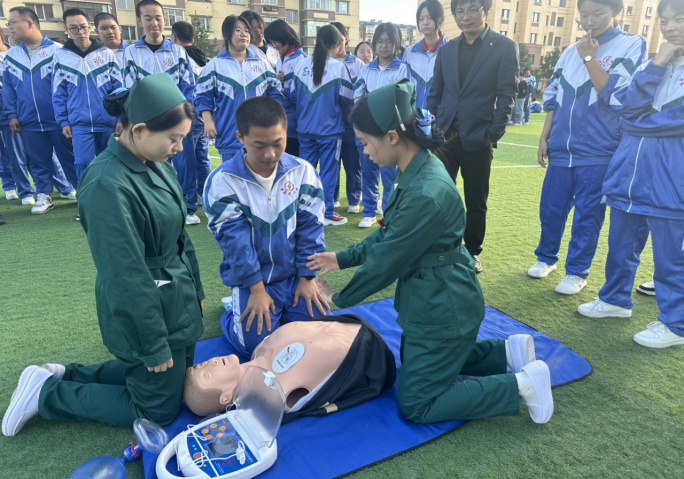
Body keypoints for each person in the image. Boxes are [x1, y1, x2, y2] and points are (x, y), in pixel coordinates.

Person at [307, 79, 554, 425]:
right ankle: (504, 353)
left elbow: (387, 260)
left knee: (416, 403)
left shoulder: (424, 191)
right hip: (434, 298)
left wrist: (339, 298)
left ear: (391, 137)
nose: (364, 151)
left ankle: (523, 385)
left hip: (443, 305)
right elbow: (390, 234)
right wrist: (342, 258)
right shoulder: (415, 168)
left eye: (365, 142)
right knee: (415, 360)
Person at [1, 74, 204, 437]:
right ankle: (47, 395)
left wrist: (197, 290)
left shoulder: (156, 161)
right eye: (174, 138)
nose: (178, 147)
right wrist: (152, 342)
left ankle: (67, 374)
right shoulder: (106, 184)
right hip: (146, 303)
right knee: (157, 408)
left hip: (174, 296)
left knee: (177, 378)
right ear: (138, 130)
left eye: (183, 138)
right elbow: (125, 274)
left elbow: (179, 237)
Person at [578, 0, 684, 349]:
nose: (670, 27)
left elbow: (671, 121)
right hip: (629, 176)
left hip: (671, 182)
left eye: (679, 19)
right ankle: (614, 300)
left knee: (671, 258)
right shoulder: (654, 65)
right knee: (621, 247)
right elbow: (623, 105)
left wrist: (635, 124)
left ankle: (675, 324)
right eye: (665, 21)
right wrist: (659, 62)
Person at [530, 0, 647, 295]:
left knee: (588, 214)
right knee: (551, 208)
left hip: (599, 149)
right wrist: (545, 136)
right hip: (561, 147)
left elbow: (616, 95)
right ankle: (546, 257)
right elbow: (553, 96)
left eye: (597, 13)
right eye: (584, 14)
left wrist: (589, 57)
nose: (589, 20)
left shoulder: (632, 44)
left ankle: (576, 271)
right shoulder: (570, 50)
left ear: (617, 12)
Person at [203, 96, 329, 358]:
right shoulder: (223, 181)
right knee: (257, 348)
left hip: (294, 276)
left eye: (278, 143)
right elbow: (235, 243)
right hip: (254, 281)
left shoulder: (303, 172)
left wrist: (307, 278)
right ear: (240, 137)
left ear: (286, 133)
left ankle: (283, 306)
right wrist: (256, 290)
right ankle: (232, 310)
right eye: (259, 145)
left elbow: (311, 228)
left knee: (317, 335)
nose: (270, 154)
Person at [428, 0, 518, 273]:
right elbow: (435, 91)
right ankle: (441, 245)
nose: (465, 16)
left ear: (485, 10)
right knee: (440, 195)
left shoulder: (504, 47)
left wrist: (493, 133)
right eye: (459, 11)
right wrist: (435, 125)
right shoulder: (446, 50)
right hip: (445, 137)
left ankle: (471, 251)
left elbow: (507, 94)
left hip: (479, 137)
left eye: (472, 9)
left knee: (476, 200)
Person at [184, 315, 396, 422]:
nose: (210, 362)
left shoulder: (259, 351)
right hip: (369, 347)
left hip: (349, 321)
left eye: (201, 364)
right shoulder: (279, 395)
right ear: (225, 397)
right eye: (208, 374)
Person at [124, 0, 198, 225]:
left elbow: (188, 86)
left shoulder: (178, 51)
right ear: (139, 21)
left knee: (184, 163)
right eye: (148, 18)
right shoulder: (131, 52)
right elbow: (129, 89)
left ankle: (188, 207)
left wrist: (185, 116)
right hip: (148, 123)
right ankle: (154, 206)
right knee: (148, 162)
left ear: (164, 20)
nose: (154, 23)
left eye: (158, 18)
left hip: (176, 120)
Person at [3, 6, 77, 215]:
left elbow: (68, 87)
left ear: (29, 23)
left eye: (12, 23)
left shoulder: (58, 51)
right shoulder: (12, 55)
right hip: (28, 121)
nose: (9, 28)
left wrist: (66, 116)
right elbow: (8, 88)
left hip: (58, 120)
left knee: (69, 158)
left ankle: (82, 191)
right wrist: (12, 114)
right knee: (37, 161)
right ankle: (44, 195)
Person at [287, 24, 353, 226]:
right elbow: (347, 100)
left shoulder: (300, 65)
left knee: (305, 172)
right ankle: (326, 212)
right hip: (330, 131)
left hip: (305, 130)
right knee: (328, 172)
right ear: (337, 44)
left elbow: (292, 96)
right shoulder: (338, 67)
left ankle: (304, 211)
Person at [195, 15, 282, 164]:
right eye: (238, 30)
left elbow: (275, 93)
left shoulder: (262, 64)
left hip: (260, 137)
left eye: (247, 30)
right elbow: (202, 95)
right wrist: (208, 121)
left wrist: (273, 119)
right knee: (232, 177)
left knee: (260, 177)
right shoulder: (215, 65)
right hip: (229, 137)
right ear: (227, 34)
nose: (244, 34)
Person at [53, 9, 122, 192]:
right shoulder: (61, 56)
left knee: (111, 162)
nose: (80, 32)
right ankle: (86, 198)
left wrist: (120, 117)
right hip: (79, 123)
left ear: (90, 27)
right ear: (66, 29)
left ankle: (112, 197)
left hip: (107, 121)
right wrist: (63, 121)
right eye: (74, 28)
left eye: (83, 27)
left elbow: (119, 89)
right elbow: (58, 92)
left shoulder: (106, 53)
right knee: (82, 162)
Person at [355, 23, 410, 228]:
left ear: (396, 44)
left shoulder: (403, 68)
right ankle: (369, 211)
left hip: (390, 133)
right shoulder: (366, 69)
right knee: (368, 172)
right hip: (369, 131)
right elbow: (357, 97)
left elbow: (405, 100)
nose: (384, 46)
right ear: (374, 44)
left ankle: (388, 214)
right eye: (380, 41)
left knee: (389, 176)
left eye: (389, 41)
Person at [171, 21, 212, 220]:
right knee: (202, 157)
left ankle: (189, 202)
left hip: (186, 114)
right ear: (193, 38)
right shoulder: (203, 59)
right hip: (203, 115)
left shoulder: (179, 57)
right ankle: (206, 195)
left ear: (174, 38)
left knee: (185, 160)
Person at [331, 21, 363, 214]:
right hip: (330, 124)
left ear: (346, 38)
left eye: (339, 38)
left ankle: (354, 200)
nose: (336, 43)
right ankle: (333, 198)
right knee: (331, 165)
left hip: (351, 124)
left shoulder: (357, 64)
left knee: (352, 164)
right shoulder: (324, 63)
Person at [264, 19, 307, 158]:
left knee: (294, 165)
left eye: (274, 42)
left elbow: (299, 95)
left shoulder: (301, 59)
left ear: (283, 36)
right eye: (271, 43)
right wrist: (278, 82)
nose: (273, 46)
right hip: (282, 123)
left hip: (296, 125)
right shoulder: (281, 59)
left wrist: (281, 90)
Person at [403, 0, 448, 110]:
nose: (425, 23)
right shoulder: (409, 52)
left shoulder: (450, 51)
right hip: (412, 116)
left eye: (430, 18)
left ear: (441, 19)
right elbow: (403, 87)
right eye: (421, 19)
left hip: (440, 117)